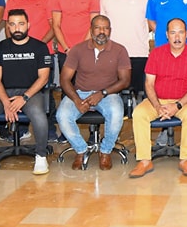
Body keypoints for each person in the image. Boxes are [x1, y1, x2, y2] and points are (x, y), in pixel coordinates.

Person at [0, 9, 52, 177]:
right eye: (12, 24)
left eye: (21, 24)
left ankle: (41, 156)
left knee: (38, 113)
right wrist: (6, 102)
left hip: (31, 93)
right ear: (8, 27)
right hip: (3, 93)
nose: (17, 28)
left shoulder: (40, 47)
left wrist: (24, 97)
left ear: (28, 25)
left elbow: (43, 78)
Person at [129, 18, 187, 178]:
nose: (177, 37)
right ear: (166, 35)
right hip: (157, 100)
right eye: (173, 32)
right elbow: (149, 84)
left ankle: (185, 159)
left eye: (181, 32)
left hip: (183, 101)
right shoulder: (156, 54)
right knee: (139, 113)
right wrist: (157, 106)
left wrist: (177, 105)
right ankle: (144, 161)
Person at [56, 15, 132, 171]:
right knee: (62, 115)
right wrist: (76, 100)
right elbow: (64, 79)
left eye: (105, 28)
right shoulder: (78, 49)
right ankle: (81, 150)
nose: (101, 32)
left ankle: (105, 151)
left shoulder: (119, 50)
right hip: (80, 93)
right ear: (91, 30)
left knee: (116, 113)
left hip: (108, 94)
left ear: (110, 31)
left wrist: (102, 93)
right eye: (97, 28)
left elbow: (125, 81)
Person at [4, 0, 57, 142]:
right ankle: (21, 128)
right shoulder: (12, 0)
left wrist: (37, 47)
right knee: (19, 88)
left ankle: (49, 129)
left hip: (42, 53)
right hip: (18, 56)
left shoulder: (47, 0)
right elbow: (7, 26)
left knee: (45, 91)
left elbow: (54, 27)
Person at [100, 0, 151, 94]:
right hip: (112, 53)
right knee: (113, 94)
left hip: (138, 53)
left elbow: (150, 25)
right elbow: (102, 26)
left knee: (138, 94)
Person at [51, 0, 101, 72]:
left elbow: (94, 25)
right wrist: (66, 48)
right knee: (66, 81)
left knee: (85, 82)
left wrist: (81, 49)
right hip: (64, 51)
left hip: (86, 50)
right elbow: (56, 25)